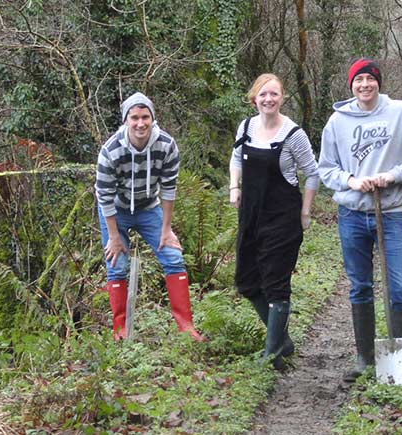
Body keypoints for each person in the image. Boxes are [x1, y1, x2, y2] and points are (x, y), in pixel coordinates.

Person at [318, 58, 402, 382]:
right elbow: (326, 168)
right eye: (359, 80)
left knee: (400, 287)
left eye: (370, 79)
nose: (364, 85)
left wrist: (392, 175)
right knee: (360, 286)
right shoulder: (336, 122)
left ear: (379, 82)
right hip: (352, 215)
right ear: (351, 84)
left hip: (391, 213)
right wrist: (351, 180)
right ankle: (364, 358)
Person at [95, 92, 203, 341]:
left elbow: (168, 189)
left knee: (173, 256)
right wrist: (113, 237)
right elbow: (104, 196)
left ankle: (185, 326)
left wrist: (166, 229)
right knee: (116, 264)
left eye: (145, 117)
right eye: (134, 117)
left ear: (153, 118)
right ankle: (120, 330)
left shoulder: (166, 145)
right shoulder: (110, 151)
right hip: (115, 211)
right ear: (125, 120)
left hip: (148, 207)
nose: (140, 123)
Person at [229, 73, 320, 369]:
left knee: (275, 283)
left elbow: (312, 173)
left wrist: (305, 212)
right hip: (251, 216)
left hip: (283, 218)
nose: (268, 99)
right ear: (254, 98)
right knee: (247, 282)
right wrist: (235, 186)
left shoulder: (294, 134)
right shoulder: (245, 127)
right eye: (263, 94)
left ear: (282, 98)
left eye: (274, 94)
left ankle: (271, 356)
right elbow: (236, 158)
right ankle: (281, 338)